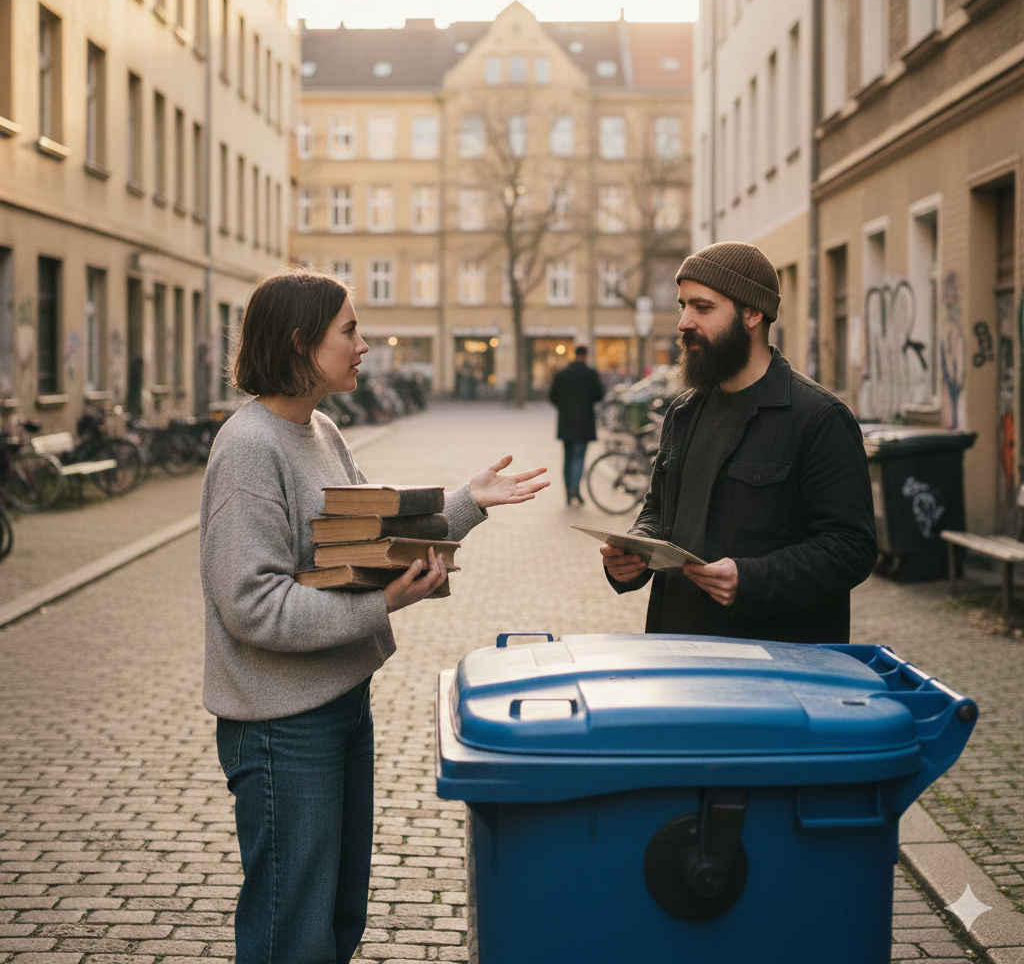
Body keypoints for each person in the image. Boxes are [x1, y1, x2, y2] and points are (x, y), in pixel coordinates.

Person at [199, 270, 548, 964]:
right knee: (289, 932)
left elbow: (370, 541)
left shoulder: (319, 429)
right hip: (279, 727)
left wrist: (468, 501)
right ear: (302, 342)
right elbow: (251, 606)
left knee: (335, 920)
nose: (365, 346)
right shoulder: (248, 449)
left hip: (337, 704)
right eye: (350, 331)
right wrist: (381, 603)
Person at [600, 241, 876, 643]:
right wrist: (637, 549)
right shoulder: (683, 413)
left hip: (775, 669)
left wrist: (752, 580)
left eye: (703, 307)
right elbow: (659, 510)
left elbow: (851, 549)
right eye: (682, 306)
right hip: (678, 650)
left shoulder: (819, 418)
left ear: (752, 312)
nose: (683, 322)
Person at [549, 345, 605, 505]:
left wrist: (564, 407)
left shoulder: (562, 374)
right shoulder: (590, 374)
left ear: (575, 355)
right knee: (579, 457)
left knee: (567, 458)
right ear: (585, 355)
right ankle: (575, 488)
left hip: (566, 422)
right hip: (584, 422)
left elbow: (552, 396)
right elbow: (599, 395)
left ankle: (568, 491)